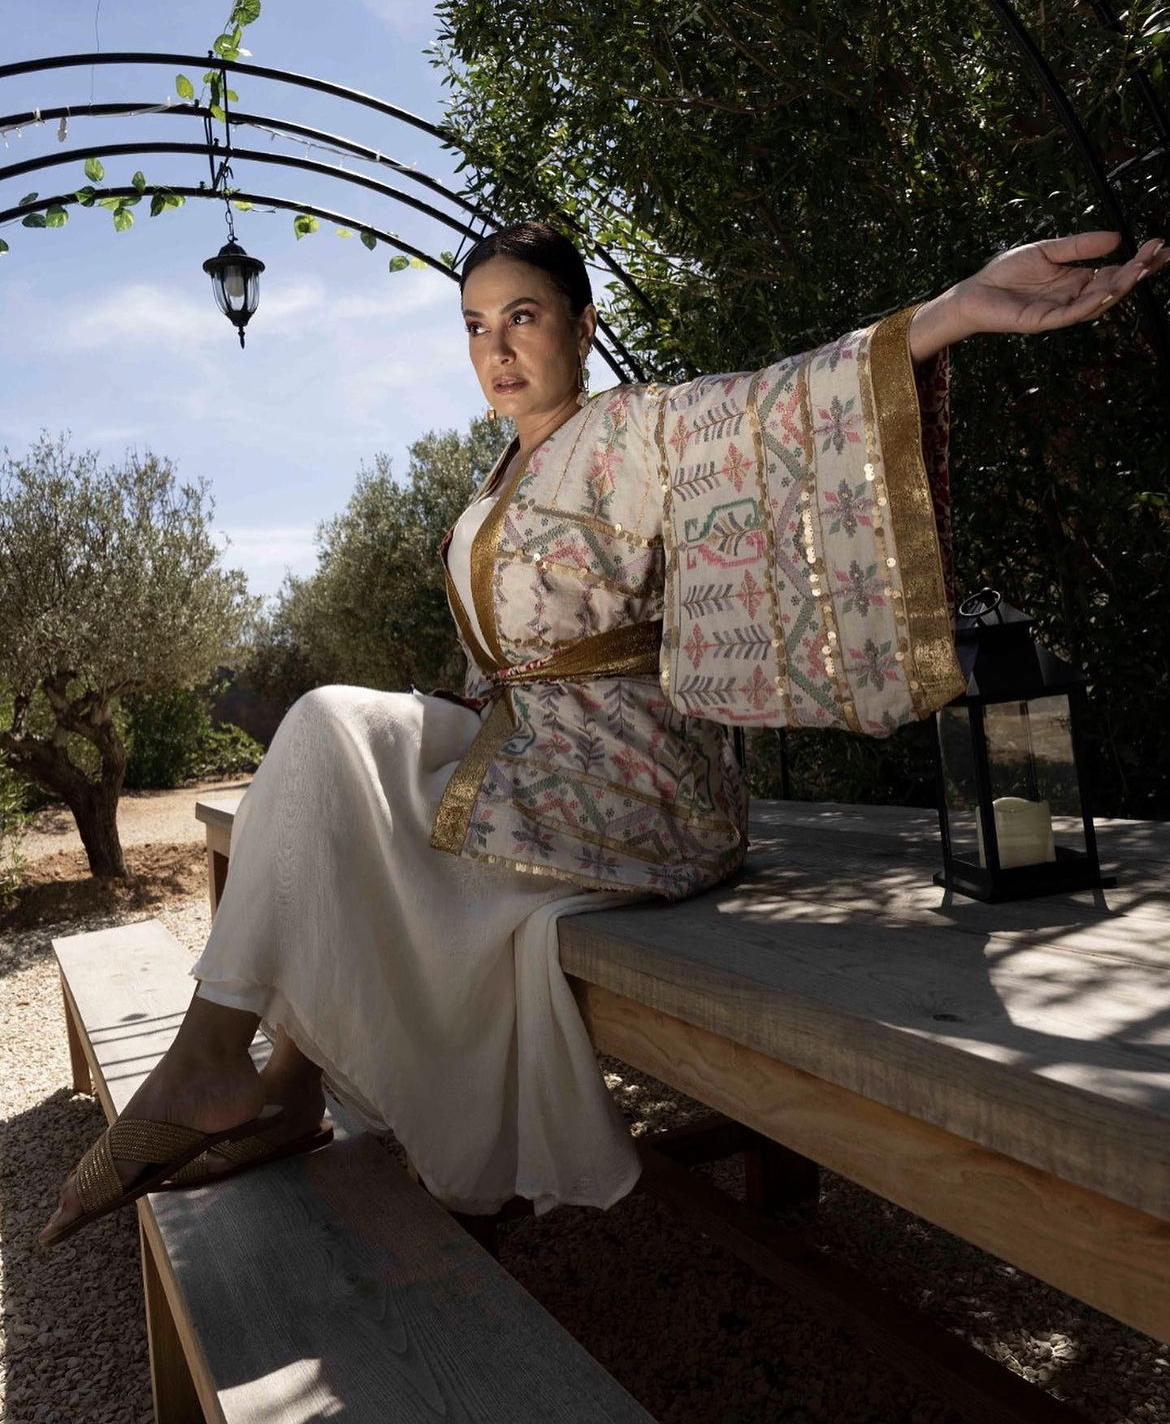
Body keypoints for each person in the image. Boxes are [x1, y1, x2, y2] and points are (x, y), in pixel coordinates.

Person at [40, 221, 1166, 1247]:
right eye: (475, 326)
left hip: (639, 778)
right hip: (527, 749)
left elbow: (774, 406)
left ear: (583, 326)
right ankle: (279, 1086)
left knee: (335, 756)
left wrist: (957, 309)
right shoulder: (496, 481)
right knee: (327, 748)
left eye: (523, 316)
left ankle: (217, 1064)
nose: (496, 349)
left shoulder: (633, 428)